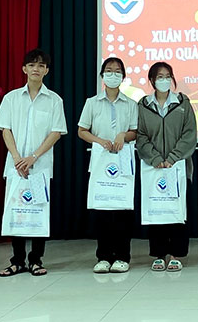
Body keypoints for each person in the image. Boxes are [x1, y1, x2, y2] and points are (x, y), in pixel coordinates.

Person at [0, 49, 67, 277]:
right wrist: (17, 158)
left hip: (39, 167)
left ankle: (36, 260)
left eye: (41, 65)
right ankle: (17, 261)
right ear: (24, 68)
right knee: (17, 212)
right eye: (32, 65)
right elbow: (5, 129)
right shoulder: (12, 98)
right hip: (16, 167)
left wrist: (33, 157)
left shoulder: (54, 100)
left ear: (47, 71)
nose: (36, 69)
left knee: (38, 213)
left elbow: (56, 132)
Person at [77, 57, 138, 273]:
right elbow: (82, 131)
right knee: (102, 210)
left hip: (123, 161)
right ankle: (103, 256)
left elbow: (135, 132)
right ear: (102, 76)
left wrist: (123, 136)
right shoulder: (92, 102)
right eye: (109, 71)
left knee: (122, 211)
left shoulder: (131, 104)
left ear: (123, 76)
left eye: (117, 71)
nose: (113, 74)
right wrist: (99, 140)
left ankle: (122, 256)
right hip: (101, 161)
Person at [136, 62, 197, 271]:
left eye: (167, 76)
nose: (164, 80)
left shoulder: (182, 102)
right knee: (157, 210)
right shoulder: (143, 105)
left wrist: (173, 157)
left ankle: (177, 254)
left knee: (177, 212)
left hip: (178, 167)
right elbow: (140, 135)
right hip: (153, 168)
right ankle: (159, 254)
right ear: (152, 80)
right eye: (159, 76)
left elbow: (190, 133)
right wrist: (154, 158)